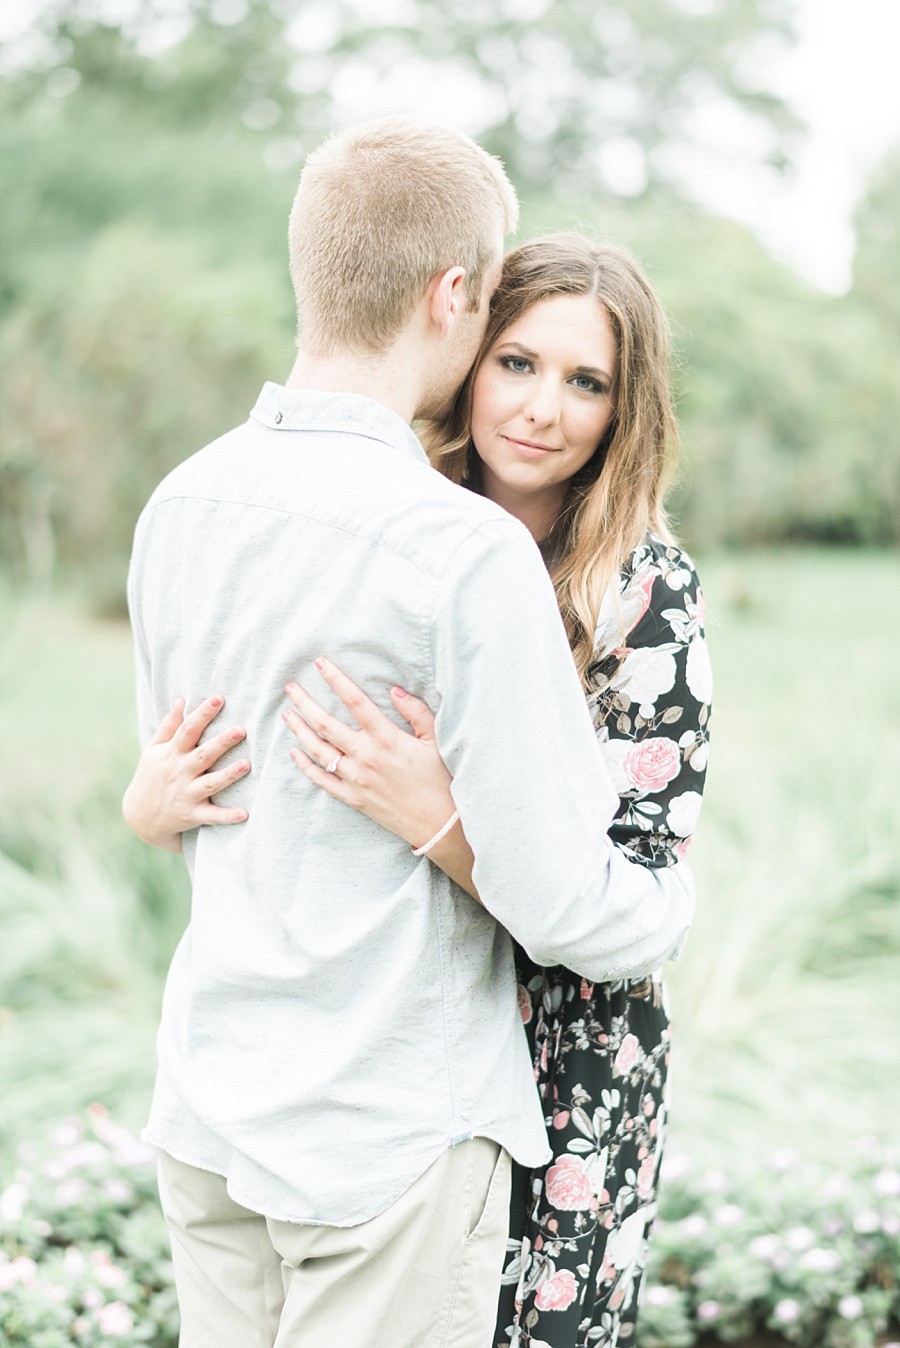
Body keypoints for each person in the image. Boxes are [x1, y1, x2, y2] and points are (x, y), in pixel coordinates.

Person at [125, 114, 696, 1348]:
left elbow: (207, 786)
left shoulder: (181, 502)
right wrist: (663, 914)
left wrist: (434, 818)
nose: (541, 403)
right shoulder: (457, 547)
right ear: (457, 299)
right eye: (511, 345)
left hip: (219, 1099)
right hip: (381, 1126)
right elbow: (582, 907)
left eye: (584, 379)